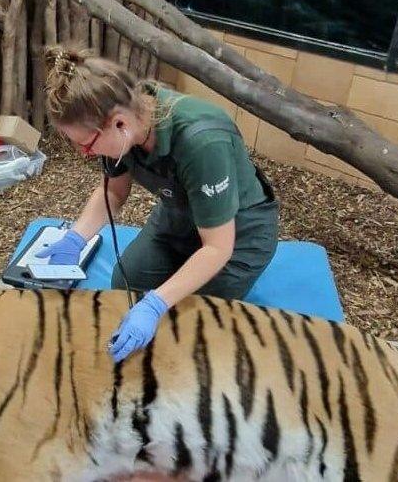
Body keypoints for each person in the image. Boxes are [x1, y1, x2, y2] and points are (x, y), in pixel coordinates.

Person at [37, 46, 279, 362]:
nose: (88, 154)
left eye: (87, 146)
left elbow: (218, 247)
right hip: (178, 216)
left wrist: (156, 304)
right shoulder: (128, 120)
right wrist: (75, 238)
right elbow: (113, 193)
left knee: (185, 320)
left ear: (119, 123)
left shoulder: (202, 140)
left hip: (239, 233)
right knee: (126, 283)